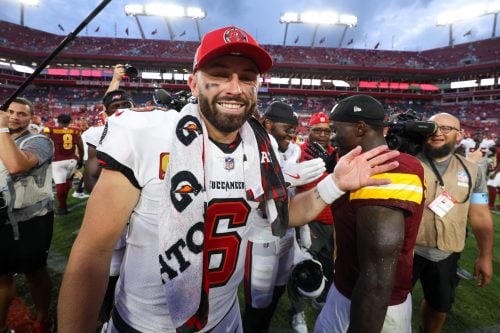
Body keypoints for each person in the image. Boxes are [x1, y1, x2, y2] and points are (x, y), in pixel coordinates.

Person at [58, 26, 401, 333]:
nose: (235, 88)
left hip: (225, 320)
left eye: (247, 77)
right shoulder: (149, 135)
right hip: (145, 325)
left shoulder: (258, 144)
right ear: (193, 82)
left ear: (257, 87)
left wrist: (335, 184)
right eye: (220, 75)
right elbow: (93, 251)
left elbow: (281, 216)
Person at [307, 95, 426, 333]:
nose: (331, 137)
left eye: (335, 129)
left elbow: (377, 281)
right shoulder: (359, 163)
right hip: (346, 287)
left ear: (360, 128)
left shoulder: (390, 170)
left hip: (374, 308)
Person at [242, 101, 324, 333]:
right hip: (261, 234)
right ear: (267, 124)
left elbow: (296, 194)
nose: (293, 132)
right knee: (258, 300)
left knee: (278, 288)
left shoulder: (294, 151)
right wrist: (282, 178)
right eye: (287, 127)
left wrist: (303, 230)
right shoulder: (250, 148)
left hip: (287, 232)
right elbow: (251, 197)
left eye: (294, 128)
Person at [412, 112, 494, 333]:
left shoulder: (473, 171)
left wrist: (485, 256)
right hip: (404, 250)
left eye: (446, 128)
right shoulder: (407, 162)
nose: (438, 132)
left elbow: (480, 215)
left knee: (439, 305)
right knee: (391, 303)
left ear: (459, 135)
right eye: (432, 127)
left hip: (446, 252)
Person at [0, 97, 55, 333]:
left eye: (21, 113)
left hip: (32, 219)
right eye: (10, 112)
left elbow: (16, 165)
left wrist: (1, 129)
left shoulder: (40, 141)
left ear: (31, 117)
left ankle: (43, 317)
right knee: (2, 276)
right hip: (2, 217)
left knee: (35, 273)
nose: (14, 116)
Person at [296, 111, 336, 311]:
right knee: (304, 267)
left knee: (329, 265)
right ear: (308, 131)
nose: (322, 134)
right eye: (317, 130)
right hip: (309, 219)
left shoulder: (337, 154)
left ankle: (320, 298)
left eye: (326, 131)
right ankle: (298, 308)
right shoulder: (297, 153)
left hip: (333, 222)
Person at [43, 113, 84, 215]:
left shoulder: (50, 129)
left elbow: (42, 136)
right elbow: (81, 146)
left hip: (58, 160)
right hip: (72, 160)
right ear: (70, 121)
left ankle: (62, 207)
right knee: (67, 181)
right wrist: (81, 158)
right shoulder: (76, 130)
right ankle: (63, 203)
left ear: (58, 121)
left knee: (60, 184)